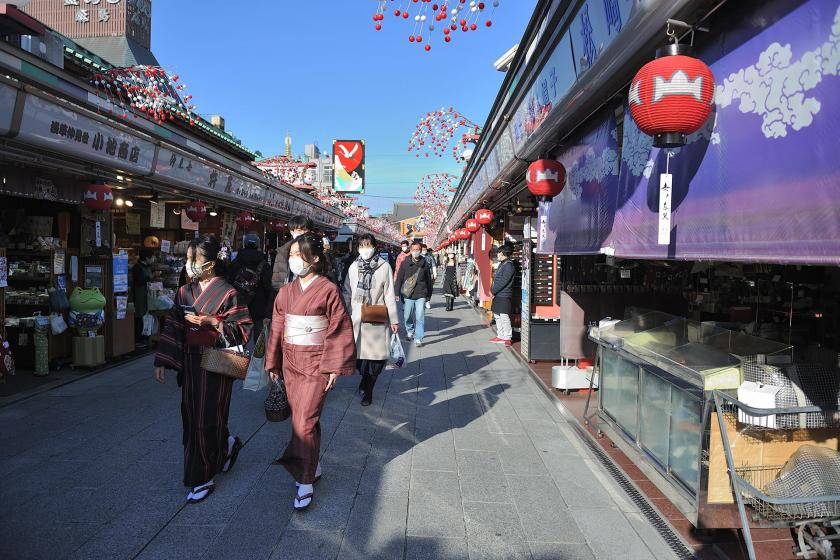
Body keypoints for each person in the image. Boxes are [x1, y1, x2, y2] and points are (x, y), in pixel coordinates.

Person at [153, 235, 252, 504]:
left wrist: (215, 322)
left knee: (207, 415)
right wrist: (164, 359)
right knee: (192, 414)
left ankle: (202, 476)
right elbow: (173, 325)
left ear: (210, 264)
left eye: (193, 260)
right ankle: (226, 445)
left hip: (218, 360)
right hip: (191, 360)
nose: (189, 265)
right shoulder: (184, 291)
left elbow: (243, 330)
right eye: (188, 259)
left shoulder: (230, 293)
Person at [265, 233, 356, 510]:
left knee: (303, 421)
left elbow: (338, 327)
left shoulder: (328, 289)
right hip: (292, 362)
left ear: (315, 258)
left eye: (298, 254)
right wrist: (273, 361)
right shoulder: (285, 291)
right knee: (305, 419)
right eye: (291, 254)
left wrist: (333, 367)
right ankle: (312, 464)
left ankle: (304, 480)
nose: (293, 259)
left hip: (316, 362)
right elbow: (278, 327)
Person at [343, 234, 399, 406]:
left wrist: (394, 319)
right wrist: (344, 313)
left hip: (376, 316)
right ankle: (364, 379)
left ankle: (369, 391)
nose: (364, 249)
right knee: (360, 360)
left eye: (368, 245)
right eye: (361, 245)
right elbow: (347, 291)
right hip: (358, 317)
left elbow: (389, 293)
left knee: (375, 360)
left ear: (375, 247)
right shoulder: (353, 267)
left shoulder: (384, 267)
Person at [227, 232, 272, 345]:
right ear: (258, 245)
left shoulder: (236, 262)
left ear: (244, 244)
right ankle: (256, 359)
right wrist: (268, 310)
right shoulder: (264, 264)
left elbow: (228, 282)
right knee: (258, 339)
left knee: (239, 336)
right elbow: (268, 287)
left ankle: (239, 359)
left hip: (239, 304)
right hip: (259, 305)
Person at [394, 241, 433, 347]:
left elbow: (429, 280)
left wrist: (429, 295)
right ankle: (410, 331)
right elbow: (399, 279)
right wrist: (396, 292)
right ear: (410, 250)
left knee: (420, 315)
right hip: (408, 294)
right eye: (414, 250)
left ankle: (419, 337)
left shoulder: (425, 263)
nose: (415, 252)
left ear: (420, 251)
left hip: (421, 293)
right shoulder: (405, 263)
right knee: (407, 315)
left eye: (418, 250)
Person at [271, 215, 312, 295]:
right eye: (299, 230)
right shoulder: (282, 252)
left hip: (311, 294)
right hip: (288, 294)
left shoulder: (316, 250)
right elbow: (276, 281)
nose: (302, 233)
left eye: (305, 230)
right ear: (292, 232)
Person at [490, 244, 516, 346]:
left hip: (504, 294)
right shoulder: (502, 264)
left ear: (504, 253)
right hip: (498, 294)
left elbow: (503, 281)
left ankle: (507, 337)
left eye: (499, 252)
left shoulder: (509, 265)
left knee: (504, 316)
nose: (498, 254)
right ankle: (500, 335)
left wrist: (492, 291)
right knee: (497, 315)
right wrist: (493, 291)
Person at [132, 248, 156, 347]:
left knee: (147, 315)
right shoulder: (137, 267)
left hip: (147, 295)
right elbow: (139, 280)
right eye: (152, 257)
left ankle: (147, 337)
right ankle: (139, 339)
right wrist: (150, 277)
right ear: (147, 258)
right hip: (139, 295)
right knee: (139, 316)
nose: (153, 259)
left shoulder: (148, 266)